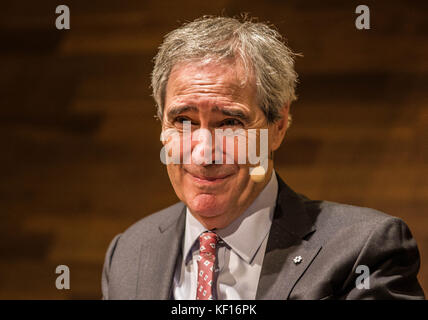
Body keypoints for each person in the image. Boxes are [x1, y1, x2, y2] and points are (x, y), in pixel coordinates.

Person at [101, 15, 425, 300]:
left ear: (278, 126)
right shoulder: (129, 251)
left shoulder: (364, 250)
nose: (203, 153)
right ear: (161, 128)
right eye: (183, 121)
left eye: (230, 122)